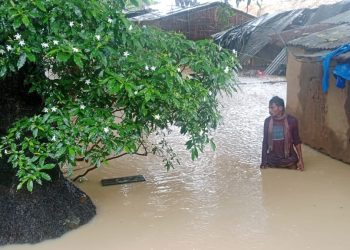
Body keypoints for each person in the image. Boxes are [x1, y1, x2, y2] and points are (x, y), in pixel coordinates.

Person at [260, 96, 304, 171]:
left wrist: (301, 160)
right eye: (269, 108)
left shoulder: (292, 121)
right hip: (272, 161)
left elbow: (297, 142)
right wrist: (263, 161)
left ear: (280, 108)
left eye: (272, 108)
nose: (269, 110)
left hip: (289, 161)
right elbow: (265, 142)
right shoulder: (267, 122)